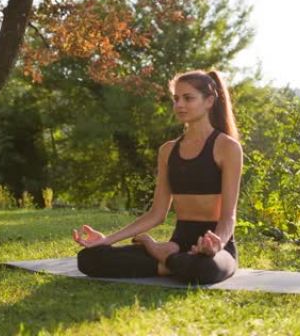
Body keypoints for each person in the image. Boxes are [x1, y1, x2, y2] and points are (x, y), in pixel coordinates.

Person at [73, 70, 243, 284]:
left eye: (188, 98)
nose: (179, 104)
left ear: (209, 101)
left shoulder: (227, 147)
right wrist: (107, 240)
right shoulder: (168, 151)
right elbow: (157, 214)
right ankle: (172, 260)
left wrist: (216, 244)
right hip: (178, 243)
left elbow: (228, 217)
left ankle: (159, 253)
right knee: (89, 258)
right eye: (176, 99)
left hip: (215, 247)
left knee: (205, 269)